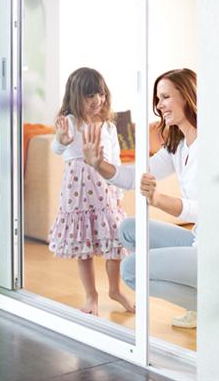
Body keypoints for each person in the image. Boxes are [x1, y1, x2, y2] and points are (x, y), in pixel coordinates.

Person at [82, 68, 198, 328]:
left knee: (131, 270)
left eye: (165, 97)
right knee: (128, 229)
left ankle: (206, 304)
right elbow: (133, 176)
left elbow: (207, 210)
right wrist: (98, 164)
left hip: (214, 248)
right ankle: (196, 296)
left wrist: (158, 199)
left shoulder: (209, 145)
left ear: (187, 96)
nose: (159, 106)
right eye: (158, 99)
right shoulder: (178, 146)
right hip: (197, 239)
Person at [48, 67, 135, 316]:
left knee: (115, 240)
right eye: (90, 96)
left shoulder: (107, 125)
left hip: (104, 188)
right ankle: (91, 295)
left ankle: (115, 290)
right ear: (76, 96)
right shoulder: (71, 123)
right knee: (82, 246)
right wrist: (61, 140)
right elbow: (56, 149)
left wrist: (118, 193)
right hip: (77, 190)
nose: (98, 101)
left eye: (101, 94)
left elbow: (116, 159)